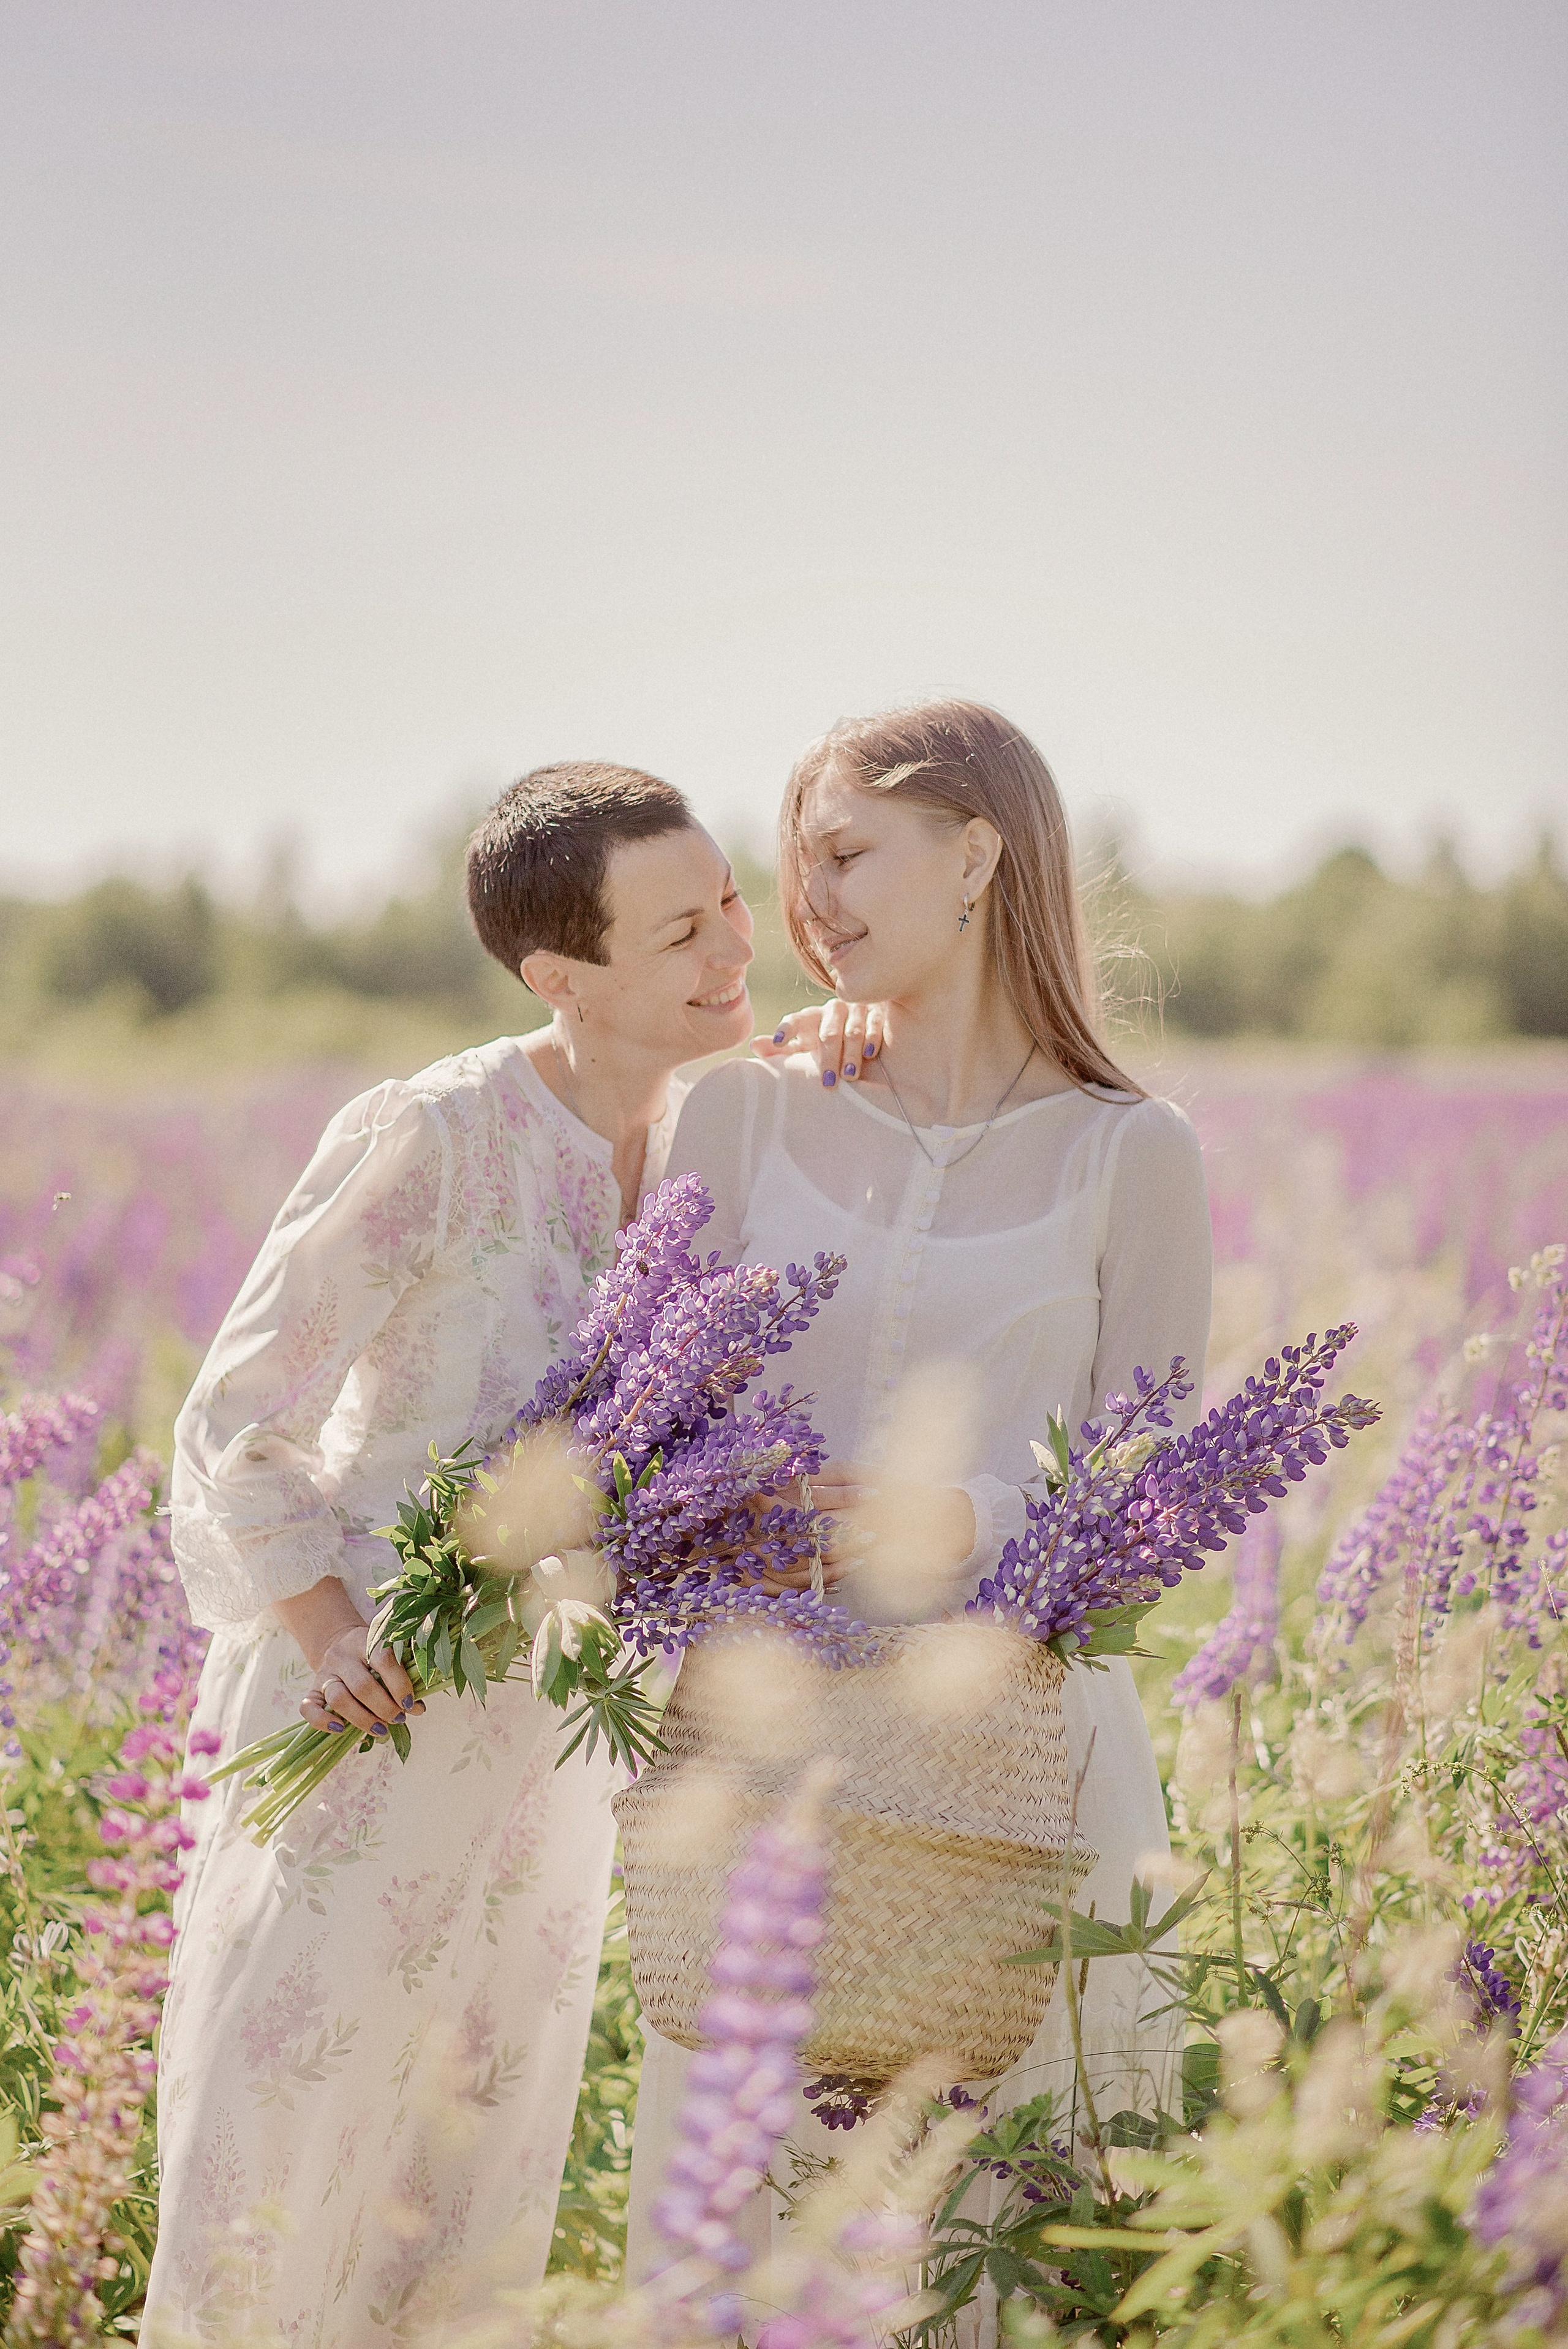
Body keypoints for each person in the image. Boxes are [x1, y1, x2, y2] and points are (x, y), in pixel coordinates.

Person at [143, 761, 761, 2346]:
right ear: (562, 977)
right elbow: (238, 1410)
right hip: (372, 1704)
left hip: (545, 1736)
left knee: (472, 2164)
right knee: (290, 2133)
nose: (735, 945)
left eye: (731, 900)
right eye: (682, 927)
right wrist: (335, 1623)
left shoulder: (721, 1151)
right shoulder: (440, 1130)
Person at [625, 699, 1213, 2342]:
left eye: (843, 851)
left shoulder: (1131, 1153)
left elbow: (1151, 1503)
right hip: (768, 1758)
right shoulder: (738, 1111)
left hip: (1017, 1776)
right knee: (742, 2242)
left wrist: (958, 1514)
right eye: (792, 861)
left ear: (975, 853)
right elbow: (639, 1425)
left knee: (993, 2242)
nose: (804, 899)